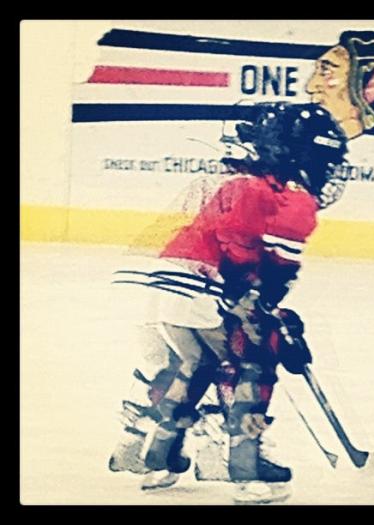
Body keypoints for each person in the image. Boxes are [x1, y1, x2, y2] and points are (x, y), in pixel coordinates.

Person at [109, 102, 349, 502]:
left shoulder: (234, 178)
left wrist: (261, 304)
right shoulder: (280, 194)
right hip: (193, 286)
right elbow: (252, 262)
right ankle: (246, 468)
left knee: (187, 366)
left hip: (155, 282)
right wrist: (268, 315)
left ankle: (154, 454)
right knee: (249, 364)